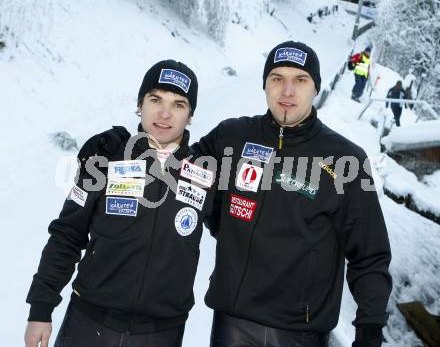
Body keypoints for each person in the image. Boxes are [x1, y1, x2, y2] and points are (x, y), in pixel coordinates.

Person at [192, 41, 392, 347]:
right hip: (232, 323)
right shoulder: (231, 136)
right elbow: (180, 170)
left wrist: (370, 330)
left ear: (316, 88)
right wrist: (129, 147)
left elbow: (370, 254)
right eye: (277, 79)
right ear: (265, 86)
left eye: (300, 80)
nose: (287, 91)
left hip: (302, 333)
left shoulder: (345, 160)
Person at [24, 59, 214, 347]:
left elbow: (239, 237)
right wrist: (41, 307)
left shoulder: (205, 174)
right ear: (140, 104)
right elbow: (67, 235)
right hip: (89, 323)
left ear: (190, 115)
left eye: (178, 104)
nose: (164, 113)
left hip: (160, 333)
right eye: (155, 99)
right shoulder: (107, 156)